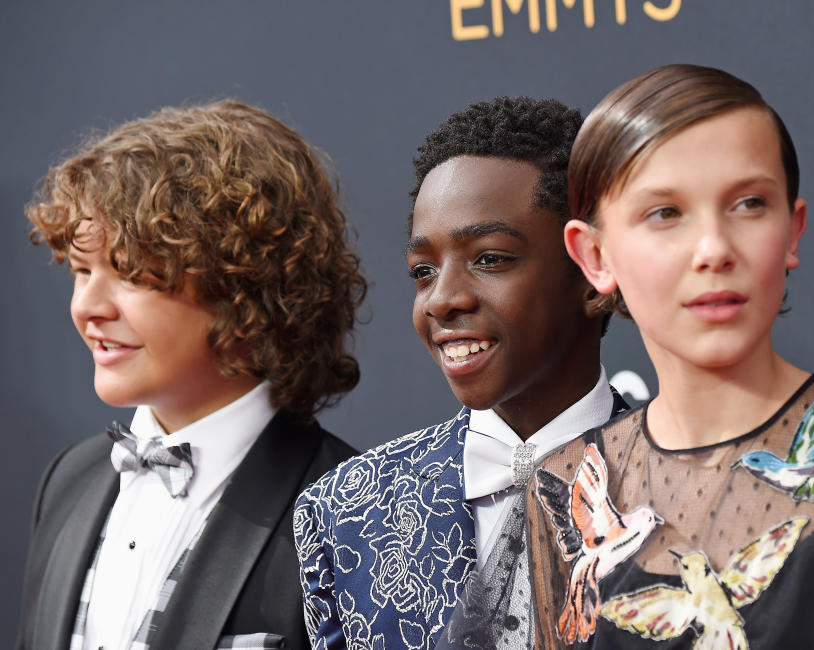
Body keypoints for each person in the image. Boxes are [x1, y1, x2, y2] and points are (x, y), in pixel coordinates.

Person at [517, 64, 814, 649]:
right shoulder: (567, 484)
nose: (714, 250)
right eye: (666, 213)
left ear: (792, 230)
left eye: (749, 203)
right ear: (594, 255)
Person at [16, 101, 365, 650]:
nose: (88, 307)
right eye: (82, 270)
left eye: (130, 272)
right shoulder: (69, 480)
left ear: (244, 285)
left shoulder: (357, 509)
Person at [294, 96, 629, 649]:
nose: (441, 299)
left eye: (491, 258)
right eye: (423, 271)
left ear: (592, 271)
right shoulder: (343, 511)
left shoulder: (693, 489)